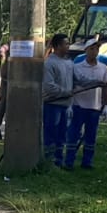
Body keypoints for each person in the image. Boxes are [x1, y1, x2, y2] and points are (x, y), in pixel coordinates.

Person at [65, 36, 107, 170]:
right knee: (73, 135)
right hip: (78, 105)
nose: (94, 51)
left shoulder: (103, 68)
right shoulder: (77, 67)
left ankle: (87, 162)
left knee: (91, 137)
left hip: (94, 107)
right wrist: (69, 104)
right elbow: (71, 86)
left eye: (97, 49)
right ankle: (69, 161)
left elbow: (106, 87)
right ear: (86, 50)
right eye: (92, 48)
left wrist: (106, 104)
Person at [42, 33, 74, 167]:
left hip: (65, 105)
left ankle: (59, 161)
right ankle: (49, 162)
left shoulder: (69, 63)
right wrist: (67, 92)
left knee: (62, 136)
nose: (68, 46)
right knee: (51, 135)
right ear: (57, 46)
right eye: (65, 44)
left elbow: (78, 78)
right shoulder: (49, 63)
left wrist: (95, 82)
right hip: (52, 105)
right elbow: (49, 86)